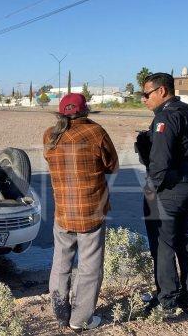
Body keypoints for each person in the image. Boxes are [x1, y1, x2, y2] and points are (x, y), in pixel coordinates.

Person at [43, 93, 119, 331]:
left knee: (61, 262)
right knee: (90, 266)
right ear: (85, 110)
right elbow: (112, 165)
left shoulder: (50, 135)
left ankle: (60, 312)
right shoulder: (96, 132)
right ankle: (81, 319)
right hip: (91, 212)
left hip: (63, 212)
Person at [136, 73, 188, 317]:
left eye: (146, 94)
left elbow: (160, 163)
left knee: (163, 244)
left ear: (162, 91)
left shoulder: (164, 117)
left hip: (169, 190)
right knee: (185, 239)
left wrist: (151, 189)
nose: (143, 99)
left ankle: (166, 299)